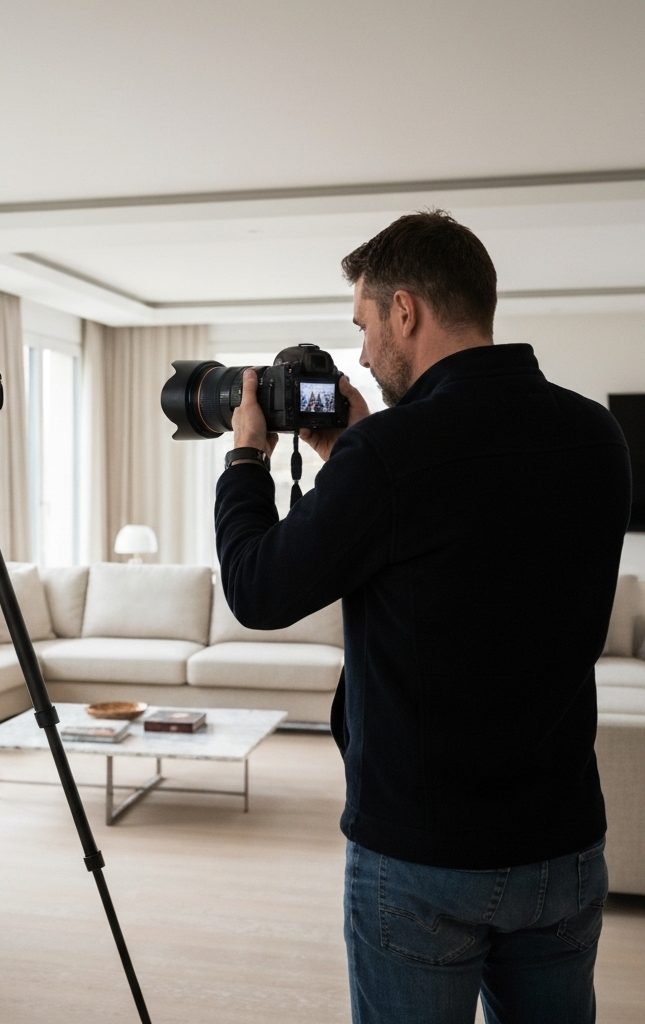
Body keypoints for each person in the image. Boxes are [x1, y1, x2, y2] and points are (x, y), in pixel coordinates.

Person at [215, 210, 631, 1024]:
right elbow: (473, 550)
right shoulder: (598, 436)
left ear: (405, 310)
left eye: (365, 327)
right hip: (562, 844)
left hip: (423, 853)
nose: (363, 356)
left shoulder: (393, 456)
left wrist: (245, 459)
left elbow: (258, 588)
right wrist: (356, 459)